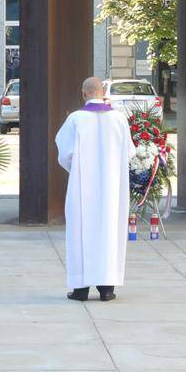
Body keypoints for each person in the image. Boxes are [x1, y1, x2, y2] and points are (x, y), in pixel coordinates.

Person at [56, 77, 132, 302]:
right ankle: (107, 288)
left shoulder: (76, 119)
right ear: (103, 92)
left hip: (83, 187)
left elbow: (65, 154)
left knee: (80, 231)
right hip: (111, 187)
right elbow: (129, 152)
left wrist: (79, 170)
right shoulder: (119, 119)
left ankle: (80, 288)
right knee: (110, 231)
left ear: (84, 93)